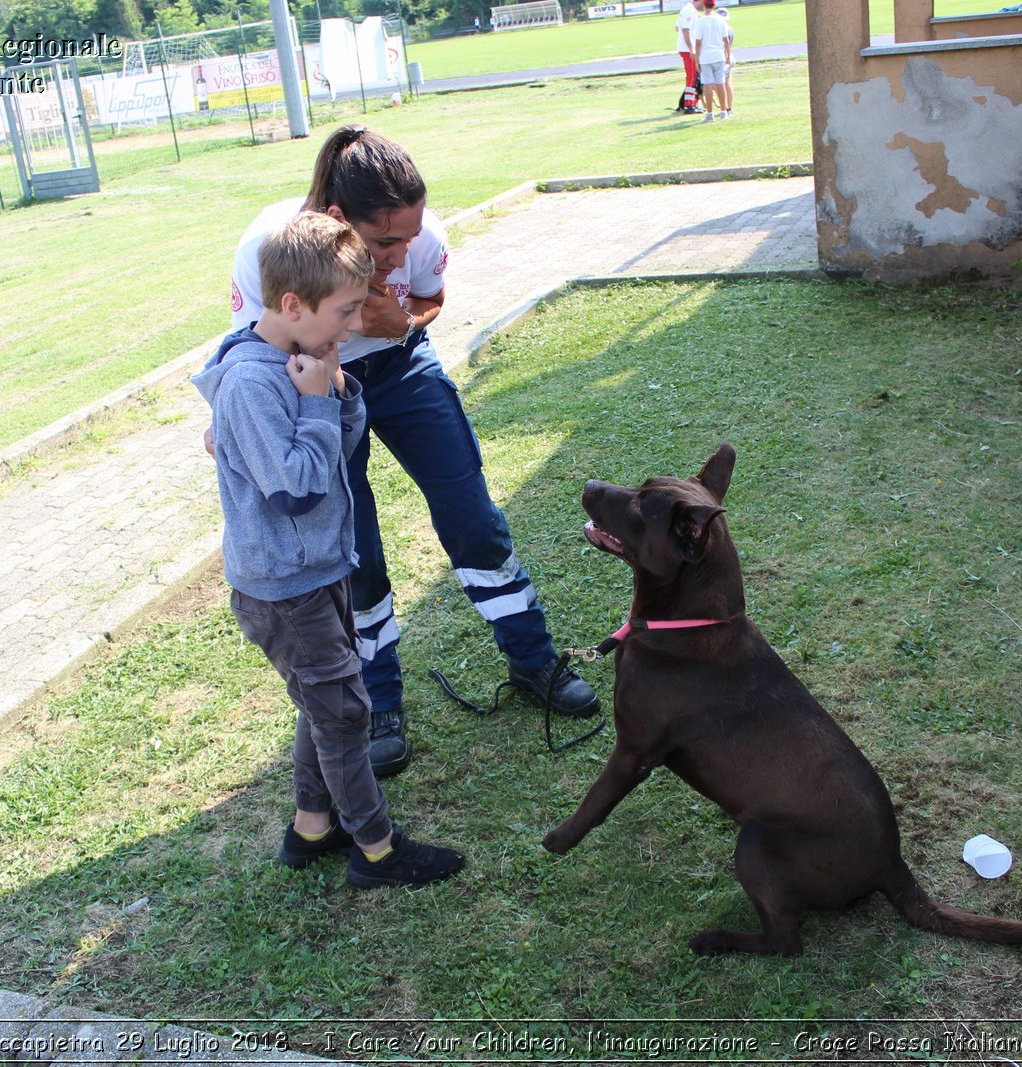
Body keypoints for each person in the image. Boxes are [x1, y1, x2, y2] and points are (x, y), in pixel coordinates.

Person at [219, 126, 601, 780]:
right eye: (385, 242)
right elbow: (251, 348)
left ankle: (533, 657)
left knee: (471, 514)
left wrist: (407, 325)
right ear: (338, 221)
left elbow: (430, 301)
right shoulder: (267, 249)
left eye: (410, 236)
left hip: (402, 370)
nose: (402, 254)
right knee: (356, 548)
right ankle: (381, 702)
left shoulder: (422, 236)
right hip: (318, 388)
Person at [192, 212, 465, 889]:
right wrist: (315, 401)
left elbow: (337, 453)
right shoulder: (257, 382)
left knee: (328, 703)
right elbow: (297, 491)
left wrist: (337, 395)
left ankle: (312, 825)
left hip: (316, 570)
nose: (351, 324)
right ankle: (375, 847)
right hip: (287, 589)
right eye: (343, 311)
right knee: (345, 711)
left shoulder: (306, 360)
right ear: (292, 304)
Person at [692, 0, 732, 122]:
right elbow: (726, 40)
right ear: (714, 5)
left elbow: (698, 43)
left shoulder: (700, 22)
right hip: (718, 55)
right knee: (720, 83)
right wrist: (728, 56)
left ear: (704, 5)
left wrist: (696, 60)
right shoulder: (720, 20)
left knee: (707, 84)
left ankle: (709, 113)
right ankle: (724, 111)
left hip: (705, 56)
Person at [674, 0, 704, 114]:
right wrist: (691, 48)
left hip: (685, 48)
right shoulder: (689, 10)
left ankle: (691, 103)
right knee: (693, 77)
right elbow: (685, 29)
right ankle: (689, 105)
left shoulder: (688, 9)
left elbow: (677, 27)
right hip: (688, 49)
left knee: (692, 76)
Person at [718, 5, 735, 117]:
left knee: (722, 84)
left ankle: (726, 108)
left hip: (724, 58)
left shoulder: (721, 29)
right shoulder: (729, 28)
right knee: (727, 83)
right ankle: (728, 108)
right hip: (729, 56)